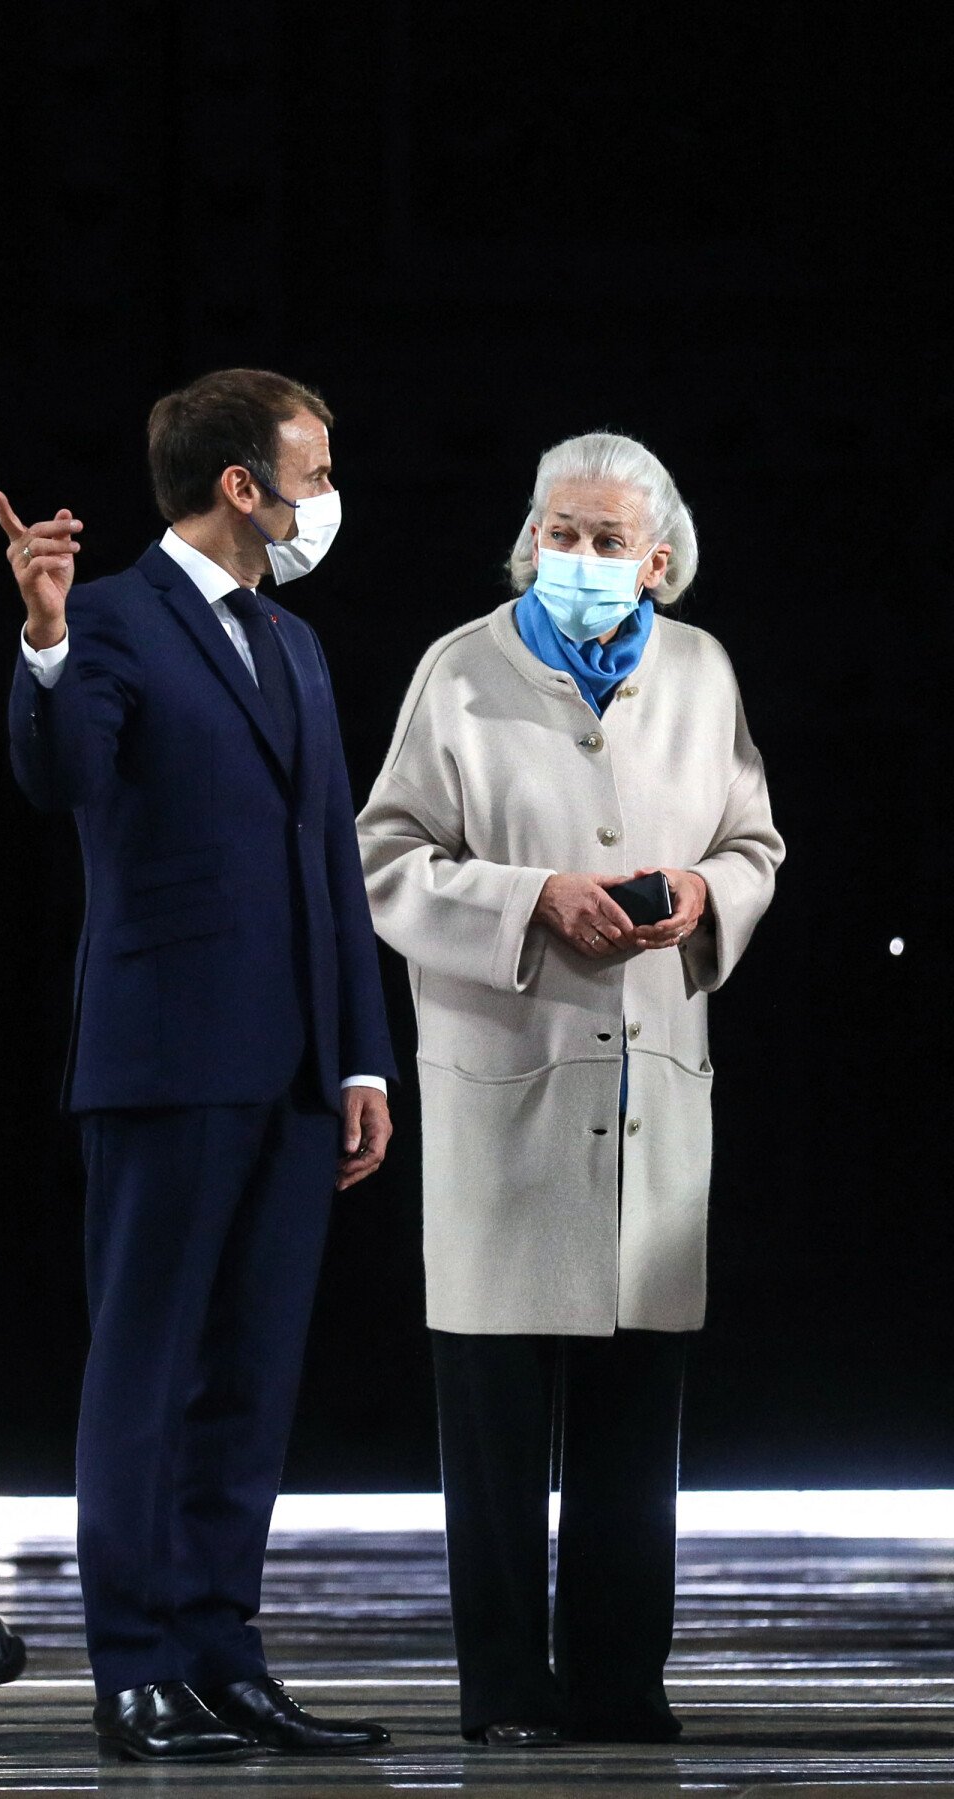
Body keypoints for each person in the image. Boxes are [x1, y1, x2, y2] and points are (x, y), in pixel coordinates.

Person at [357, 431, 784, 1747]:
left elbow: (753, 837)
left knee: (630, 1414)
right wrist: (533, 898)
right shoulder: (461, 670)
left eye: (607, 539)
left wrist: (712, 894)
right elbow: (386, 856)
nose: (581, 558)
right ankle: (504, 1690)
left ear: (659, 558)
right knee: (492, 1417)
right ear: (528, 538)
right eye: (561, 531)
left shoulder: (703, 672)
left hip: (651, 1079)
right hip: (508, 1079)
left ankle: (615, 1679)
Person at [0, 368, 396, 1764]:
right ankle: (136, 1671)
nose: (327, 487)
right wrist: (43, 640)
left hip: (294, 1066)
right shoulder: (107, 616)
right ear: (244, 483)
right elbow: (65, 779)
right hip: (168, 1057)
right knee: (149, 1372)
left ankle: (226, 1657)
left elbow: (331, 865)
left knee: (251, 1379)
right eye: (315, 462)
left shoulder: (291, 638)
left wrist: (364, 1058)